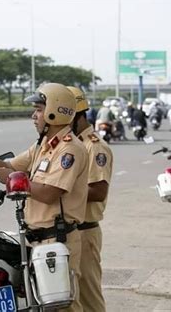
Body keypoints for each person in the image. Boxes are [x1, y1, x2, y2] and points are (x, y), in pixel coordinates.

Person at [0, 83, 88, 312]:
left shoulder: (69, 150)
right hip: (37, 241)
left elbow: (51, 193)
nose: (34, 116)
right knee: (41, 306)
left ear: (55, 111)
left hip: (58, 241)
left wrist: (14, 180)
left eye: (39, 109)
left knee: (63, 307)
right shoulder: (42, 146)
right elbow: (5, 167)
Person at [68, 86, 114, 312]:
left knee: (89, 297)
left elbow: (98, 191)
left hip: (85, 232)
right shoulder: (70, 145)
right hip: (67, 233)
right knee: (69, 298)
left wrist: (58, 190)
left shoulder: (94, 147)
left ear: (78, 116)